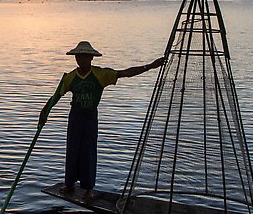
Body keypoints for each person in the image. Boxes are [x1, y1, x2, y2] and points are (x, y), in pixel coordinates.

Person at [38, 41, 164, 199]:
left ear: (91, 58)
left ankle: (88, 188)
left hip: (90, 116)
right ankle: (69, 184)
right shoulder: (70, 77)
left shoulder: (100, 74)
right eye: (79, 57)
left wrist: (149, 66)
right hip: (75, 116)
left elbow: (125, 73)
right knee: (72, 150)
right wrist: (45, 110)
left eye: (84, 57)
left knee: (88, 151)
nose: (81, 60)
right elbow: (57, 95)